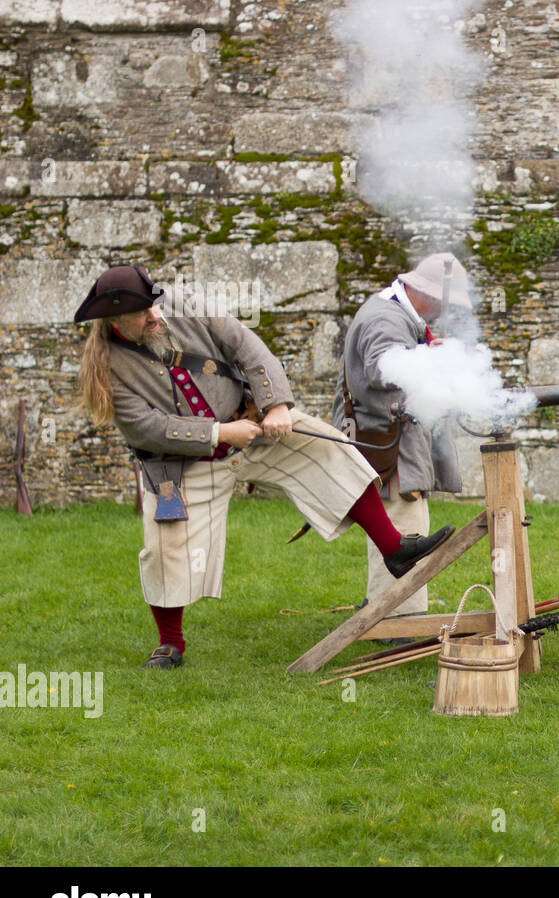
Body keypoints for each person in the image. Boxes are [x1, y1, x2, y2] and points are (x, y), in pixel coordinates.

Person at [74, 264, 454, 670]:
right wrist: (219, 433)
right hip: (181, 463)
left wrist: (274, 406)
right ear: (113, 321)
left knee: (332, 452)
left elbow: (248, 348)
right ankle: (170, 644)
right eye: (141, 315)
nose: (154, 316)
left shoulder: (185, 304)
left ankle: (393, 548)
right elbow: (147, 428)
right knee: (164, 551)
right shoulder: (107, 368)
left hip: (251, 424)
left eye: (152, 306)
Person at [333, 253, 466, 619]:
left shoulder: (394, 312)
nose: (445, 311)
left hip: (387, 438)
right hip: (385, 443)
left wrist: (425, 351)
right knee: (406, 528)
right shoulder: (385, 318)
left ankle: (381, 606)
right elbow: (383, 369)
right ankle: (397, 619)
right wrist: (428, 358)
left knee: (397, 524)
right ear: (430, 295)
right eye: (445, 303)